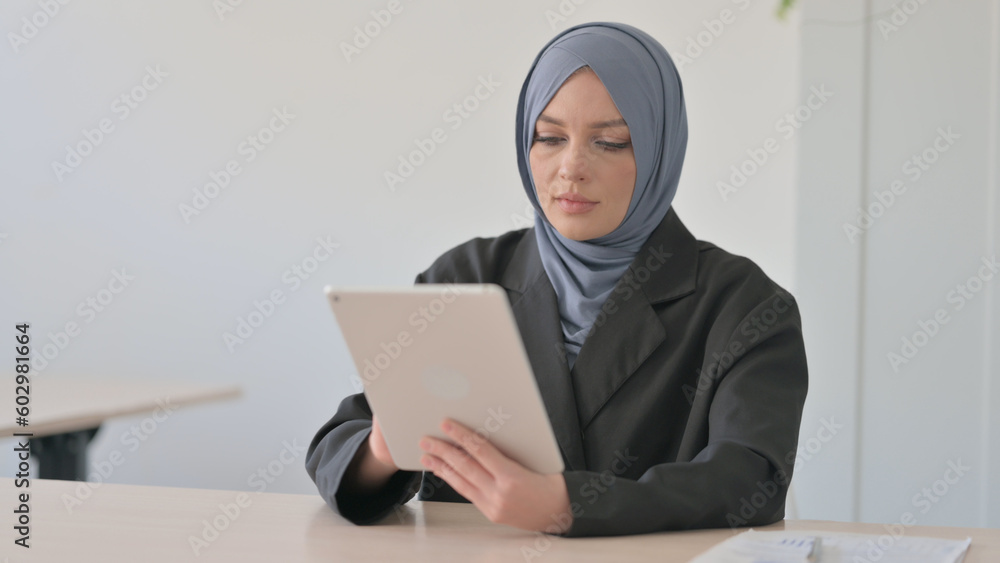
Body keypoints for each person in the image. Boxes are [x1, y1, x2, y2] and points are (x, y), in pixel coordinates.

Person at [306, 21, 808, 538]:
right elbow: (339, 444)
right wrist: (382, 452)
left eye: (610, 142)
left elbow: (751, 480)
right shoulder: (465, 277)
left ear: (661, 151)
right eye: (549, 137)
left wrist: (568, 505)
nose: (571, 168)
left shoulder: (744, 305)